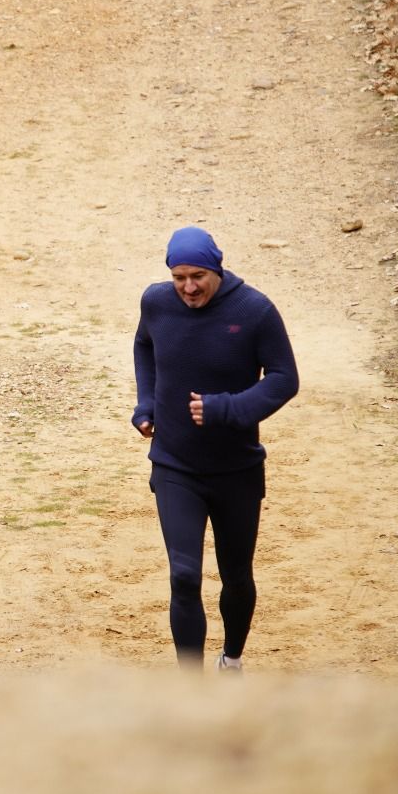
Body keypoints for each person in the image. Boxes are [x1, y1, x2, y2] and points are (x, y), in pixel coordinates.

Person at [132, 226, 298, 673]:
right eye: (179, 277)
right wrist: (147, 403)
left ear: (216, 270)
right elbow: (144, 344)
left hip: (236, 469)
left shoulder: (254, 310)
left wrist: (228, 408)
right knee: (184, 576)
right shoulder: (156, 302)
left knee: (236, 576)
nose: (188, 288)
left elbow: (285, 378)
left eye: (197, 277)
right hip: (175, 465)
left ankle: (232, 660)